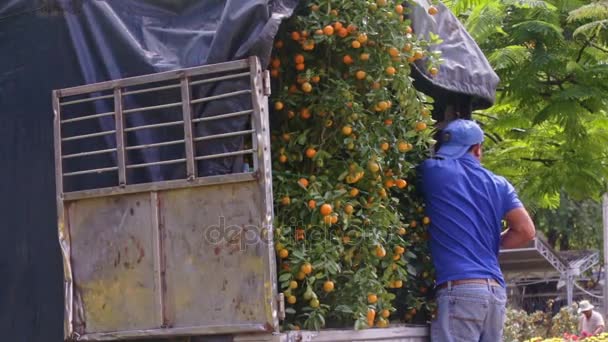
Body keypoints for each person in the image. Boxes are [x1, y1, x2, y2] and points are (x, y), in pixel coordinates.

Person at [419, 119, 536, 342]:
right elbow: (526, 230)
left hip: (460, 291)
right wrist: (490, 242)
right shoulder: (499, 184)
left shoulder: (433, 172)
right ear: (478, 148)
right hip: (495, 293)